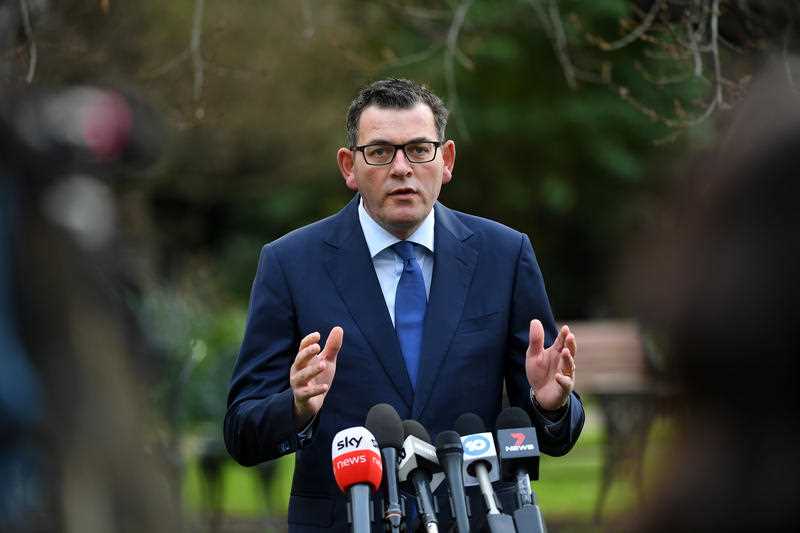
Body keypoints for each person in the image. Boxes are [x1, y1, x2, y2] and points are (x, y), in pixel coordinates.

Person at [224, 78, 585, 532]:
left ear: (446, 159)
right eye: (379, 152)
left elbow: (551, 433)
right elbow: (242, 431)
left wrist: (550, 405)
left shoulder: (504, 255)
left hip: (477, 518)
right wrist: (296, 407)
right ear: (349, 166)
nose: (401, 168)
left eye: (418, 149)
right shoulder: (289, 263)